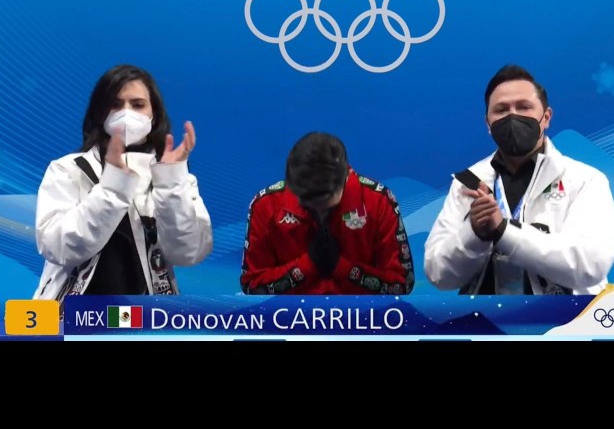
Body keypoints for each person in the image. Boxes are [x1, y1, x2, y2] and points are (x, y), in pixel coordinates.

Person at [424, 64, 614, 295]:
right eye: (501, 110)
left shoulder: (585, 179)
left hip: (567, 316)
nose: (512, 116)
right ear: (488, 124)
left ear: (546, 117)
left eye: (524, 107)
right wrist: (473, 234)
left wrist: (503, 231)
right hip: (488, 316)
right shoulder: (469, 182)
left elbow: (590, 265)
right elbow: (438, 274)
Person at [33, 64, 213, 303]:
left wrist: (170, 183)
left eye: (138, 105)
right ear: (100, 112)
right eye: (116, 105)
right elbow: (57, 247)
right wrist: (113, 186)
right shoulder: (68, 169)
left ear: (154, 114)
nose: (126, 113)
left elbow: (188, 253)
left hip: (148, 317)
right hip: (71, 316)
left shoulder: (174, 177)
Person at [240, 131, 415, 295]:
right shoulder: (265, 205)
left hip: (362, 316)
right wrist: (306, 267)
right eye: (307, 202)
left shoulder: (379, 201)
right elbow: (252, 285)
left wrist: (344, 269)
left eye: (324, 201)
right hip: (290, 316)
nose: (318, 209)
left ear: (345, 178)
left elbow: (401, 285)